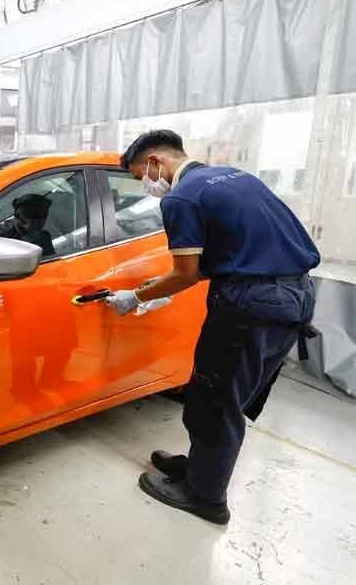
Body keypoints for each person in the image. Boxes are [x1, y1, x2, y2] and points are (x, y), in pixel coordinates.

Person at [106, 129, 319, 525]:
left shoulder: (181, 198)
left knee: (215, 397)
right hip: (295, 296)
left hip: (250, 303)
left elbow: (185, 273)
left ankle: (205, 497)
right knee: (227, 392)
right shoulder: (236, 177)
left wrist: (136, 297)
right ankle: (203, 469)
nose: (147, 186)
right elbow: (238, 248)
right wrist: (163, 287)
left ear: (156, 162)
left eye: (141, 176)